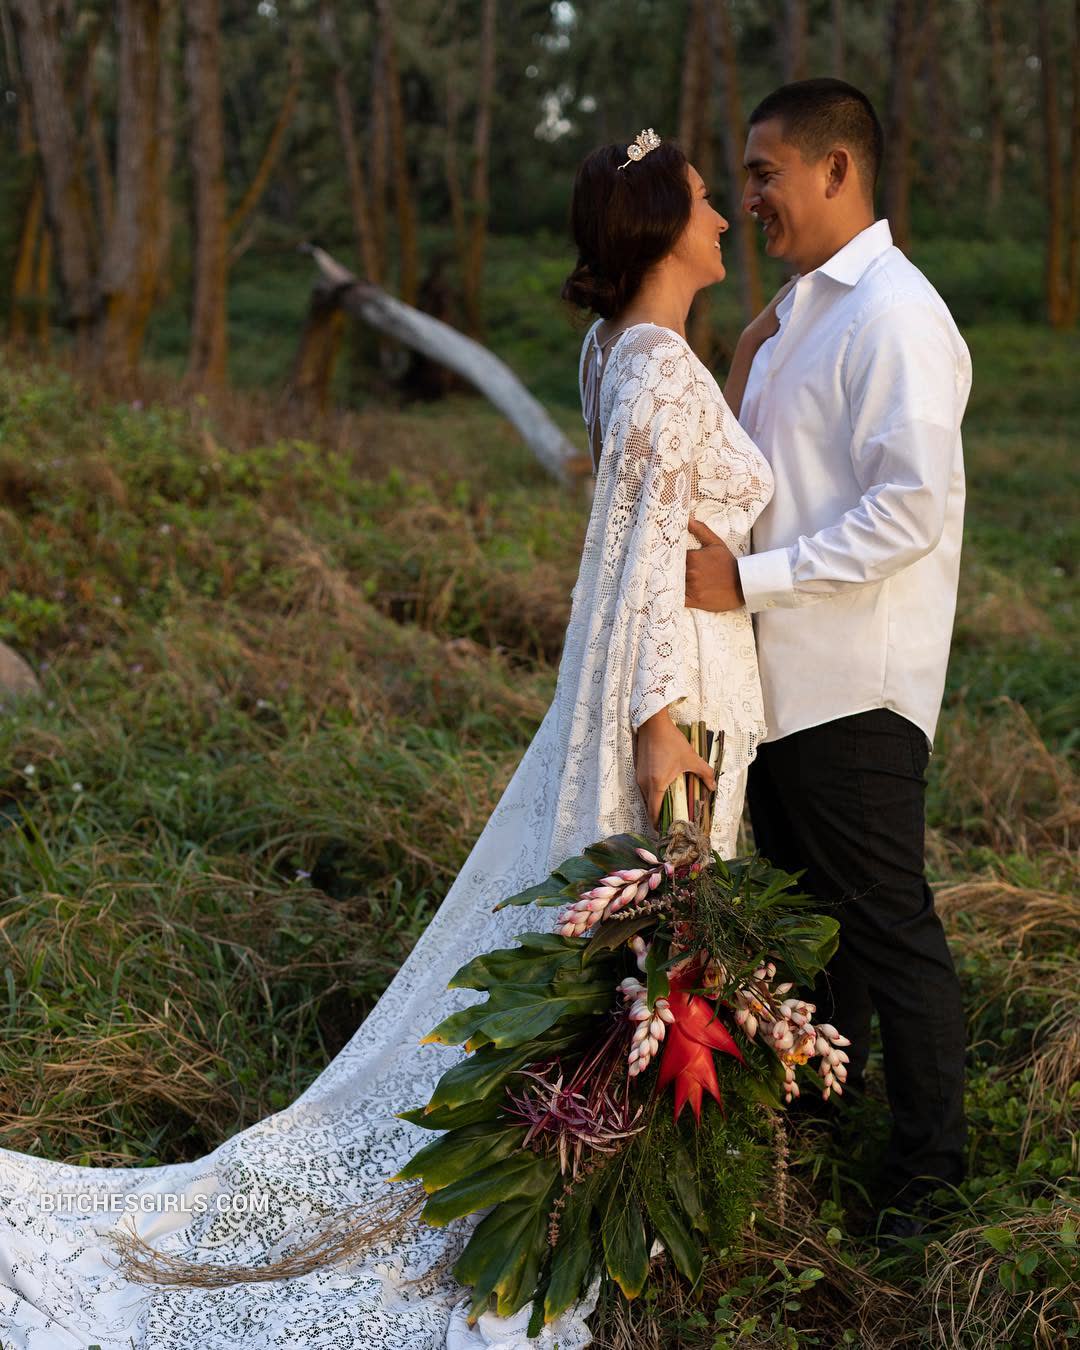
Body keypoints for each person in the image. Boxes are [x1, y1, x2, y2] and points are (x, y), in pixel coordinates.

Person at [0, 137, 785, 1350]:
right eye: (703, 203)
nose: (725, 220)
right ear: (656, 226)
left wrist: (746, 357)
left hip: (668, 672)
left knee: (621, 947)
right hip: (675, 692)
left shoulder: (620, 352)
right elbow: (637, 565)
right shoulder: (657, 370)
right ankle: (573, 1189)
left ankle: (598, 1169)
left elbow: (656, 512)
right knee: (641, 940)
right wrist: (658, 731)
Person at [684, 78, 971, 1236]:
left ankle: (931, 1179)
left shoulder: (894, 314)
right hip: (778, 686)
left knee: (889, 929)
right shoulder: (799, 316)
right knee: (819, 932)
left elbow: (911, 510)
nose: (750, 196)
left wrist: (748, 582)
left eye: (765, 173)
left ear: (836, 169)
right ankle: (821, 1133)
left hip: (856, 681)